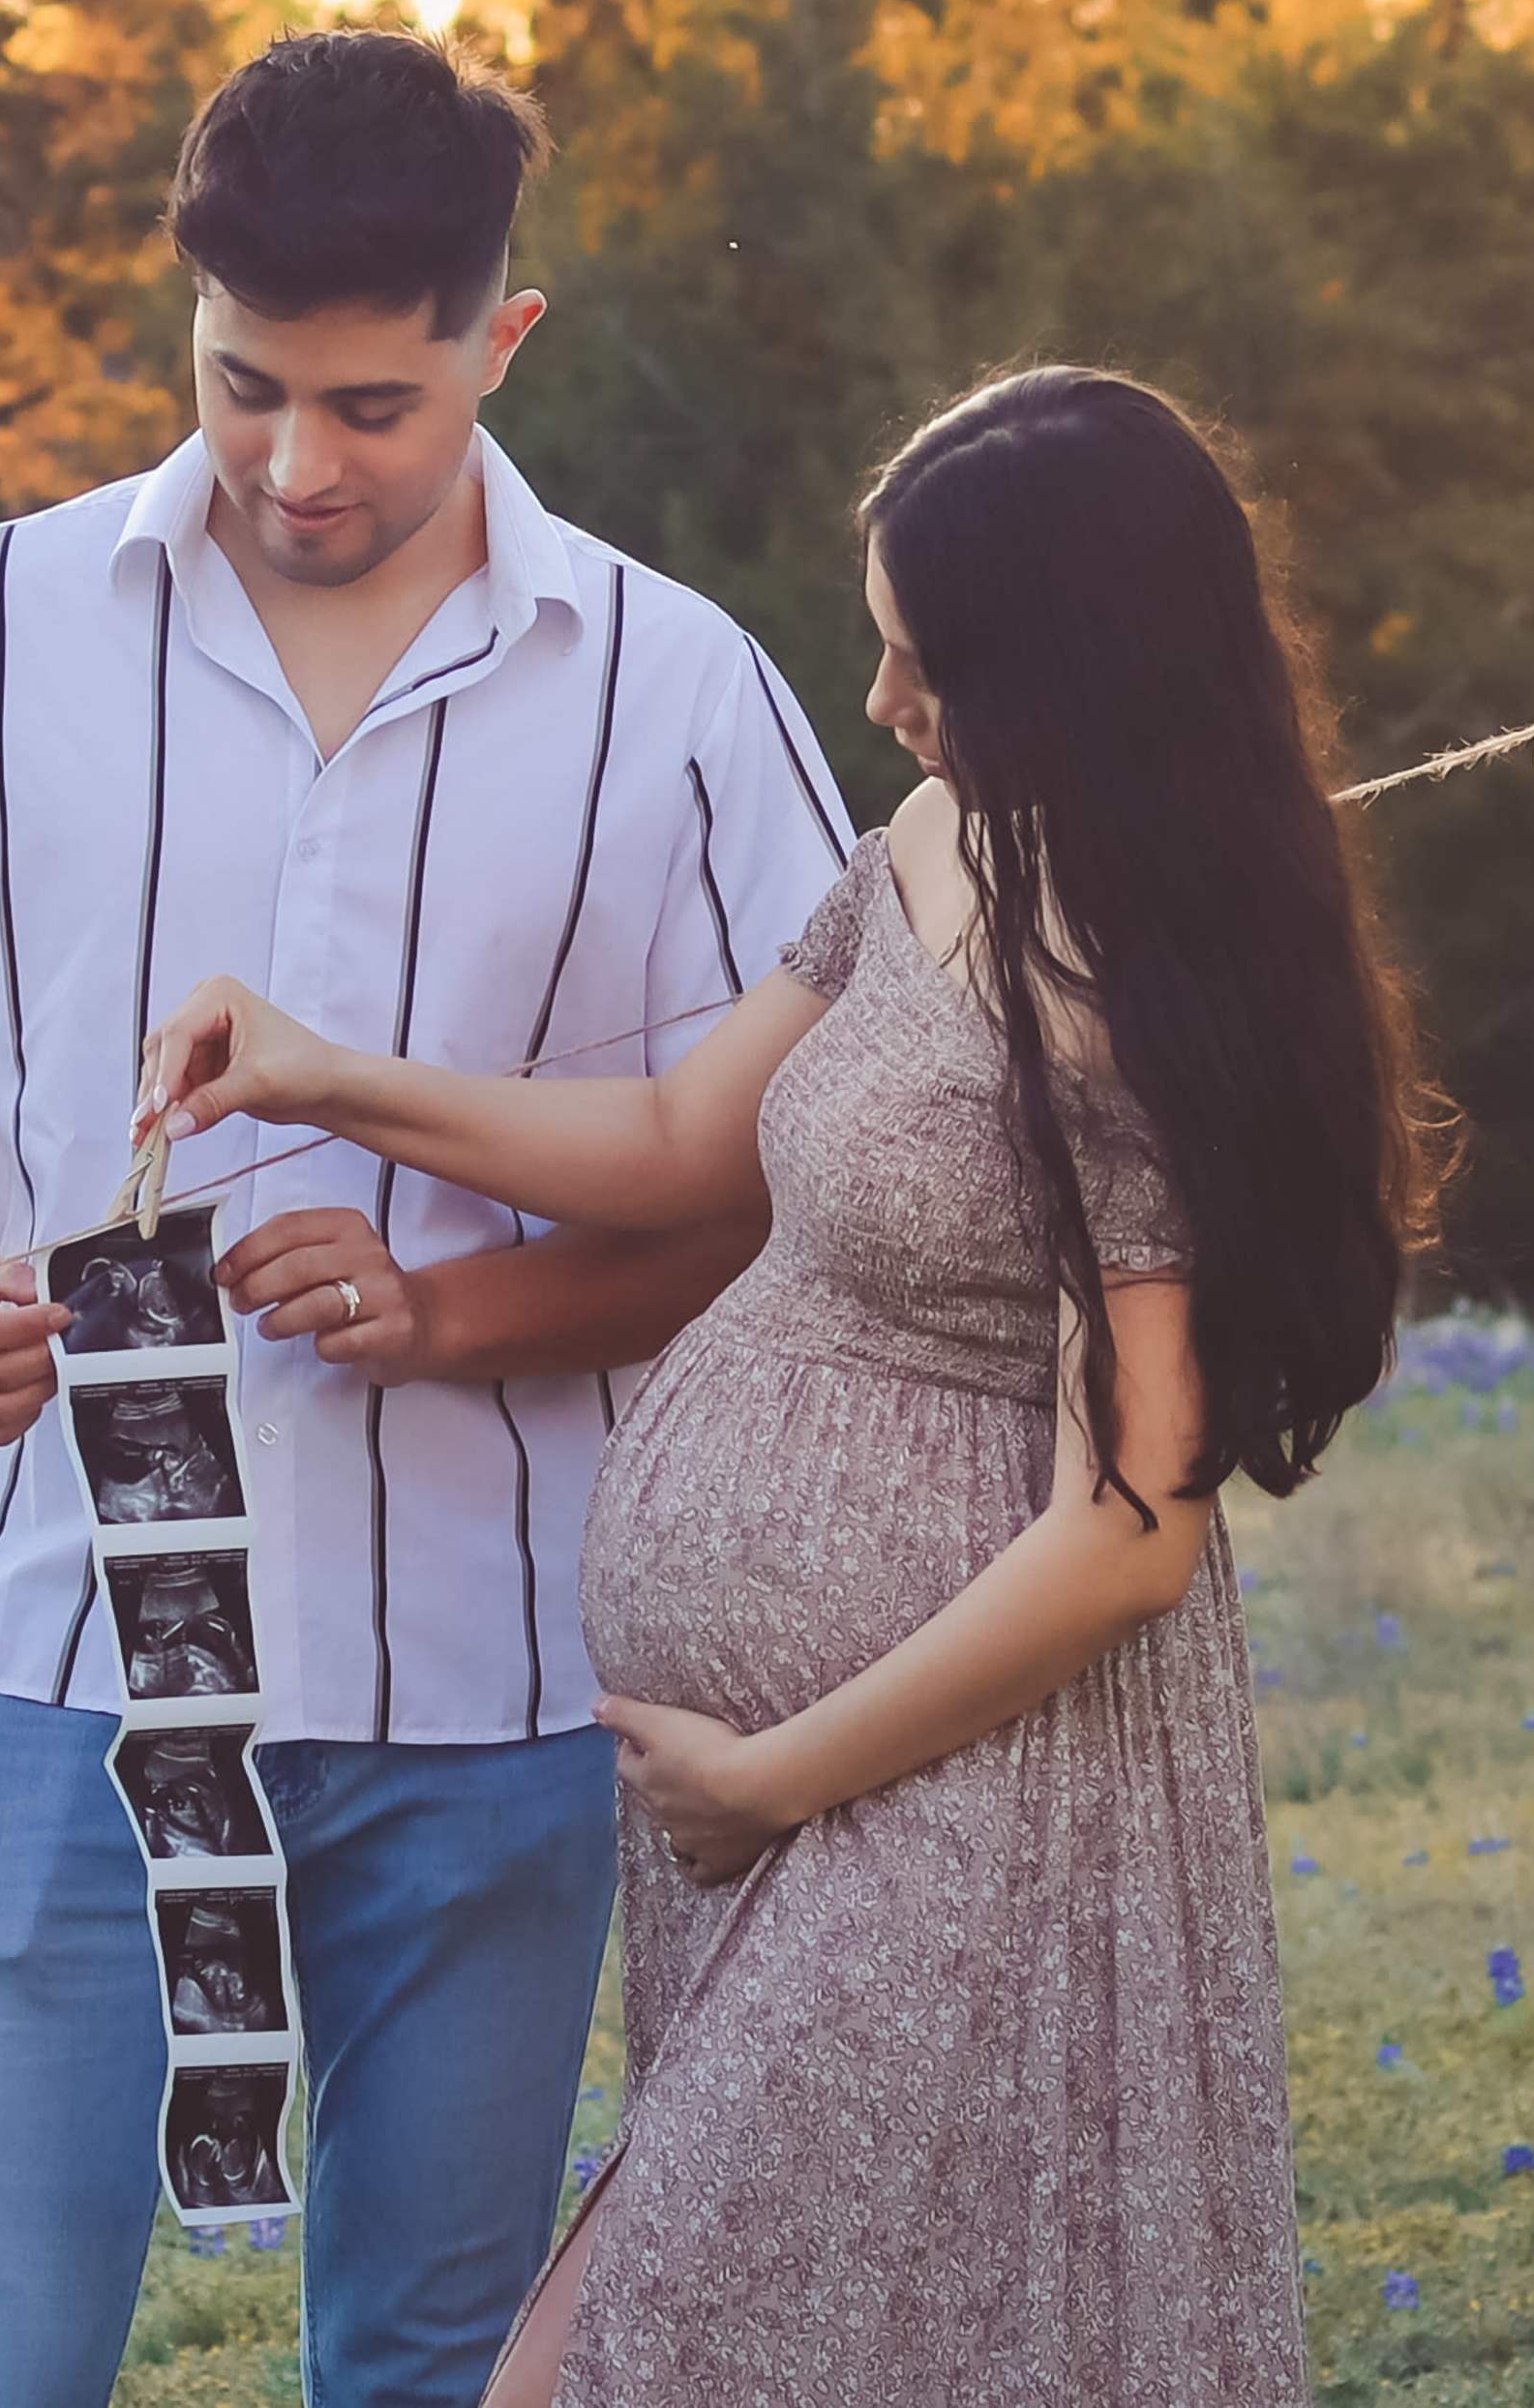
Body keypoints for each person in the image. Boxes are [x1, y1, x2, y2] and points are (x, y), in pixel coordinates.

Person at [0, 27, 855, 2406]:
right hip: (48, 1671)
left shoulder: (679, 689)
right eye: (246, 387)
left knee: (439, 2372)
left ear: (499, 341)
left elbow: (775, 1198)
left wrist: (449, 1315)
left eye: (371, 406)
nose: (293, 463)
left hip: (497, 1691)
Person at [137, 365, 1452, 2407]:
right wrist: (318, 1066)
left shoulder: (1130, 1001)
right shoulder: (941, 840)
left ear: (1074, 675)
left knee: (622, 2367)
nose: (882, 700)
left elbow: (1130, 1531)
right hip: (776, 1793)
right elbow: (679, 1138)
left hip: (952, 1792)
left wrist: (779, 1771)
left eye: (928, 664)